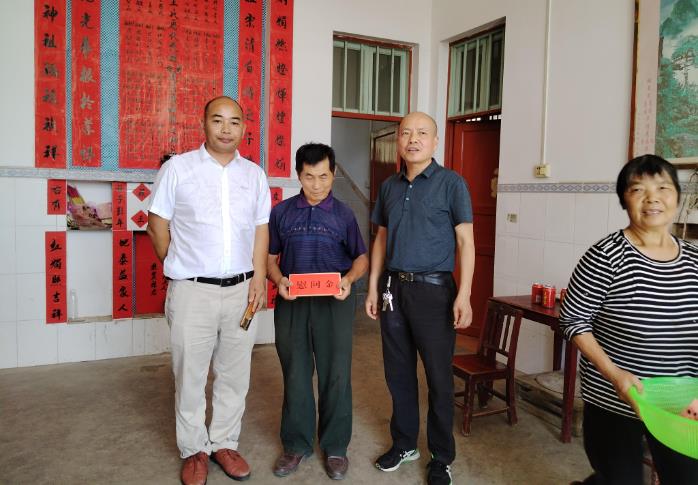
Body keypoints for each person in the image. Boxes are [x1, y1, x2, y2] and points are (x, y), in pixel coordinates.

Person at [147, 96, 271, 485]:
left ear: (244, 127)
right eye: (217, 120)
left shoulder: (254, 175)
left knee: (235, 373)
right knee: (190, 374)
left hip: (241, 291)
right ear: (203, 124)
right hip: (192, 292)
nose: (226, 129)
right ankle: (194, 450)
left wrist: (259, 277)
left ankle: (224, 443)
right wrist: (179, 266)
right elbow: (157, 223)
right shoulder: (178, 169)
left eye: (234, 121)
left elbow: (261, 229)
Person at [560, 154, 698, 485]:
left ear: (677, 196)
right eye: (638, 190)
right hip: (615, 401)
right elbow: (573, 319)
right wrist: (615, 375)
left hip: (681, 405)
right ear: (624, 200)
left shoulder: (694, 259)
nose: (652, 198)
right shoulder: (606, 255)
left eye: (663, 188)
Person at [365, 112, 475, 485]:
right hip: (394, 289)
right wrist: (373, 286)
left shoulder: (451, 183)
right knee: (398, 373)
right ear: (398, 140)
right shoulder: (389, 187)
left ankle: (441, 457)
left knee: (439, 378)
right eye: (406, 133)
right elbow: (381, 238)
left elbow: (466, 241)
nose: (413, 139)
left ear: (435, 141)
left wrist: (465, 294)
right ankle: (405, 443)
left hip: (435, 291)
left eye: (422, 133)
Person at [267, 143, 368, 480]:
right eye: (309, 177)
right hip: (292, 302)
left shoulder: (344, 214)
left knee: (336, 373)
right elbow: (270, 258)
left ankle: (335, 447)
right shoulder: (282, 213)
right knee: (295, 372)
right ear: (298, 175)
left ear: (333, 174)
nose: (317, 184)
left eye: (324, 176)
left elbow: (361, 258)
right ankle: (296, 444)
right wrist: (279, 280)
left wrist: (349, 280)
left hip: (334, 303)